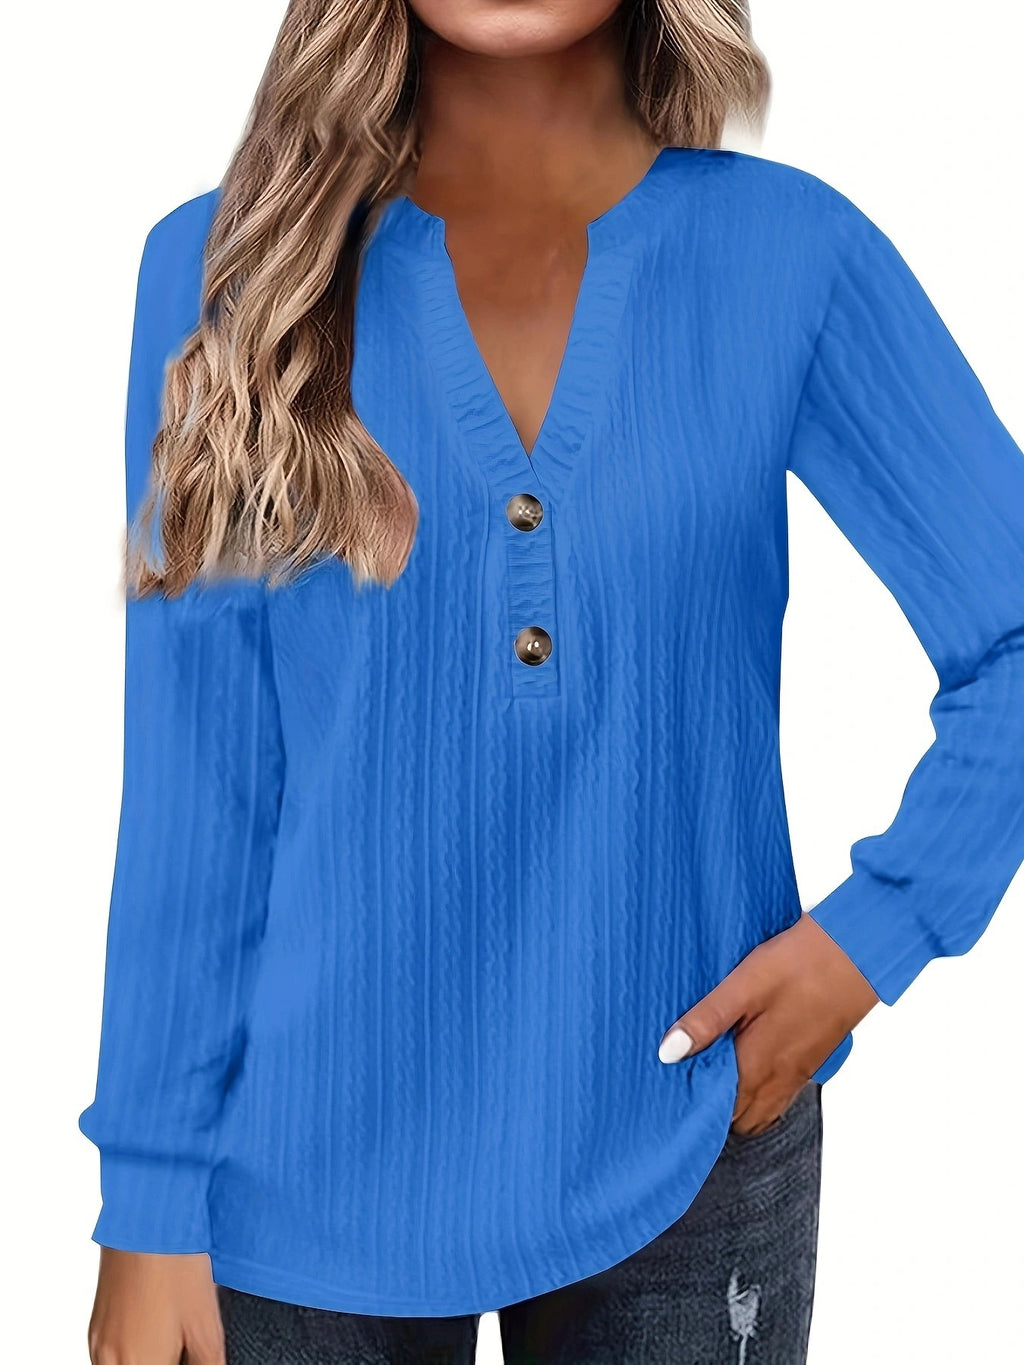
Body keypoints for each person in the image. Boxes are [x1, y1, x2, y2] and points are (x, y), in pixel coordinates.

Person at [80, 2, 1024, 1362]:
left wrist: (875, 938)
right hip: (286, 1184)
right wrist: (148, 1194)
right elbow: (198, 785)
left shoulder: (789, 256)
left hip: (690, 1142)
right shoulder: (225, 272)